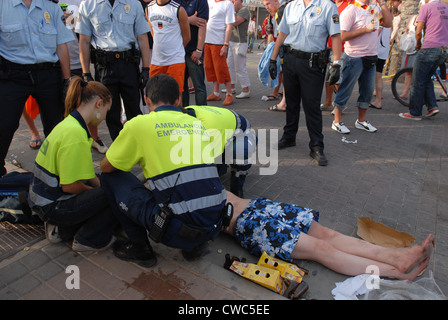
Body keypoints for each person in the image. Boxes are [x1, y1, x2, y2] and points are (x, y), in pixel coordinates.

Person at [100, 74, 228, 267]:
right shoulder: (197, 124)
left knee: (110, 178)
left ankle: (140, 248)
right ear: (178, 100)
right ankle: (194, 247)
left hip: (175, 231)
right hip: (214, 225)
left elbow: (107, 166)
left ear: (146, 100)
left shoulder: (138, 125)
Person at [223, 191, 434, 281]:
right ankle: (395, 272)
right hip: (245, 224)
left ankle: (398, 256)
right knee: (321, 249)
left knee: (328, 234)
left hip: (256, 204)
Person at [29, 76, 117, 252]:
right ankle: (87, 239)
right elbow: (70, 186)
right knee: (111, 195)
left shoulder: (71, 123)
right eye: (107, 110)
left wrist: (99, 188)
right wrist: (98, 194)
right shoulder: (75, 134)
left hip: (43, 198)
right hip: (52, 205)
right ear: (99, 104)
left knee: (106, 186)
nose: (105, 117)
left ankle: (65, 227)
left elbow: (87, 175)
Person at [0, 0, 74, 178]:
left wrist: (67, 80)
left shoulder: (51, 7)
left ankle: (60, 173)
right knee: (5, 125)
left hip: (47, 73)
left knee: (56, 126)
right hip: (12, 74)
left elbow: (61, 45)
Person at [269, 0, 343, 166]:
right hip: (290, 60)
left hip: (313, 64)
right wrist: (273, 59)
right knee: (292, 103)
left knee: (311, 106)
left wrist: (337, 64)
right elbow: (282, 33)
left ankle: (316, 145)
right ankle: (289, 137)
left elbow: (336, 36)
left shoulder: (327, 6)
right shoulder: (291, 7)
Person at [75, 0, 151, 141]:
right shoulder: (88, 4)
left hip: (128, 65)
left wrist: (146, 68)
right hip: (105, 66)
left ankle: (139, 146)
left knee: (134, 109)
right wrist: (86, 73)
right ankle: (119, 150)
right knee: (111, 113)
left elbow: (142, 37)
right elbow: (84, 40)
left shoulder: (133, 3)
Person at [331, 0, 393, 135]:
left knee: (368, 90)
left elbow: (388, 23)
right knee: (346, 88)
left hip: (371, 56)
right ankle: (336, 121)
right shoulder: (351, 10)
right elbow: (342, 36)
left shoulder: (374, 7)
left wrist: (382, 3)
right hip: (354, 57)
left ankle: (361, 120)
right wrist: (365, 29)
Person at [185, 105, 257, 197]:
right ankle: (222, 166)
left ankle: (237, 188)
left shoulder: (210, 128)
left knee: (240, 153)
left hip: (243, 133)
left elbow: (209, 162)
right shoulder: (185, 111)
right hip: (224, 128)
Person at [399, 0, 448, 120]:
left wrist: (417, 46)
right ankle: (432, 106)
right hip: (443, 49)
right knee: (426, 78)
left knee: (417, 81)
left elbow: (418, 31)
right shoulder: (446, 7)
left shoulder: (426, 7)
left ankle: (415, 112)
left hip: (429, 47)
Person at [146, 0, 191, 97]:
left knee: (176, 96)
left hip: (175, 61)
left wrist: (176, 49)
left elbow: (187, 37)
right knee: (154, 96)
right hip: (156, 61)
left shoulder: (178, 9)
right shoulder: (149, 8)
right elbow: (152, 31)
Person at [204, 0, 235, 106]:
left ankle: (229, 94)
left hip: (219, 42)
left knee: (222, 69)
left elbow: (229, 26)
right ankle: (216, 93)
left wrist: (225, 44)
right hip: (207, 41)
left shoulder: (228, 4)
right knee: (210, 68)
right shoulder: (208, 2)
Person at [320, 0, 350, 112]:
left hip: (341, 48)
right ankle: (328, 102)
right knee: (329, 76)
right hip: (327, 47)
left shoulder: (349, 5)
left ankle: (340, 105)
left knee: (337, 77)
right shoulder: (328, 4)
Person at [179, 0, 209, 107]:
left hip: (194, 52)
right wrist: (189, 20)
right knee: (181, 87)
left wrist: (199, 50)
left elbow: (202, 25)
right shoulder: (173, 1)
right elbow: (172, 21)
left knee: (199, 86)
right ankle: (184, 117)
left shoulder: (201, 1)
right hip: (178, 51)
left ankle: (200, 120)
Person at [226, 0, 251, 99]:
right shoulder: (234, 10)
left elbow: (235, 22)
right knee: (230, 65)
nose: (232, 2)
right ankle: (232, 87)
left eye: (233, 0)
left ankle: (246, 89)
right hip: (232, 41)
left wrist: (233, 10)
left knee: (239, 67)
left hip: (240, 43)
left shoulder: (244, 10)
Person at [370, 11, 392, 110]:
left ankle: (378, 100)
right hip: (383, 49)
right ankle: (378, 97)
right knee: (378, 75)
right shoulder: (389, 15)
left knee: (375, 75)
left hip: (376, 49)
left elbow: (377, 32)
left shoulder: (380, 15)